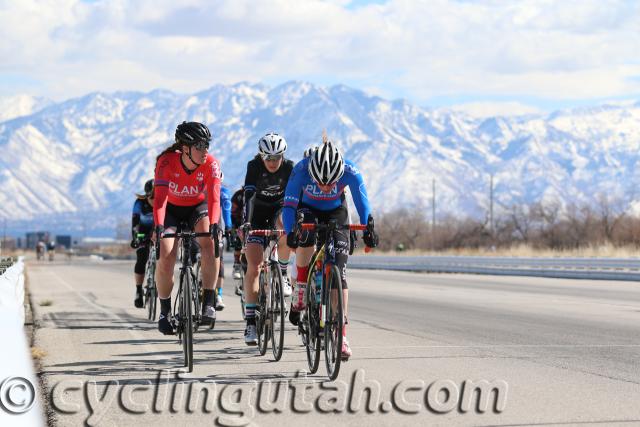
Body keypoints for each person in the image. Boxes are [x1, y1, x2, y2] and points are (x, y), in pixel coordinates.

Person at [283, 137, 379, 360]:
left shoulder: (350, 172)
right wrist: (290, 232)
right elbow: (288, 205)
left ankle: (341, 334)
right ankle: (302, 285)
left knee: (340, 271)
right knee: (304, 237)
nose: (325, 187)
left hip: (337, 211)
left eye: (330, 183)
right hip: (307, 209)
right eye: (320, 182)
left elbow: (362, 202)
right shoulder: (301, 170)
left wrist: (368, 228)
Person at [153, 121, 222, 335]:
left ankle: (208, 302)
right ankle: (165, 311)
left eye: (206, 146)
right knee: (165, 254)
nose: (205, 151)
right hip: (171, 209)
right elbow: (160, 200)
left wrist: (213, 224)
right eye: (199, 146)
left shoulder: (210, 164)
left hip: (198, 207)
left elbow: (214, 199)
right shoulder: (166, 163)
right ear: (185, 149)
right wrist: (159, 226)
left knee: (209, 242)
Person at [241, 132, 294, 345]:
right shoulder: (253, 166)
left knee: (284, 226)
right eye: (268, 158)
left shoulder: (290, 167)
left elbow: (294, 198)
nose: (273, 162)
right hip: (257, 212)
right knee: (254, 267)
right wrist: (246, 222)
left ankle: (282, 272)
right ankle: (251, 323)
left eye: (277, 157)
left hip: (279, 209)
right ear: (261, 156)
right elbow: (249, 196)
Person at [131, 179, 155, 308]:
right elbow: (135, 222)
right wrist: (135, 238)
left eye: (157, 196)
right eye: (151, 197)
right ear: (146, 196)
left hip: (158, 230)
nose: (154, 200)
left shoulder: (164, 202)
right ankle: (139, 290)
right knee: (141, 258)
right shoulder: (140, 203)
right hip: (143, 231)